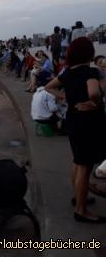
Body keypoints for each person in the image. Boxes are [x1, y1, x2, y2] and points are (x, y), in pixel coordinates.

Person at [45, 37, 106, 223]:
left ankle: (79, 197)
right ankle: (81, 210)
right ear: (89, 53)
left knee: (78, 162)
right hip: (88, 123)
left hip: (73, 120)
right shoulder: (91, 71)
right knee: (85, 166)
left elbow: (48, 87)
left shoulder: (67, 72)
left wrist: (63, 96)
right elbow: (94, 92)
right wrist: (94, 102)